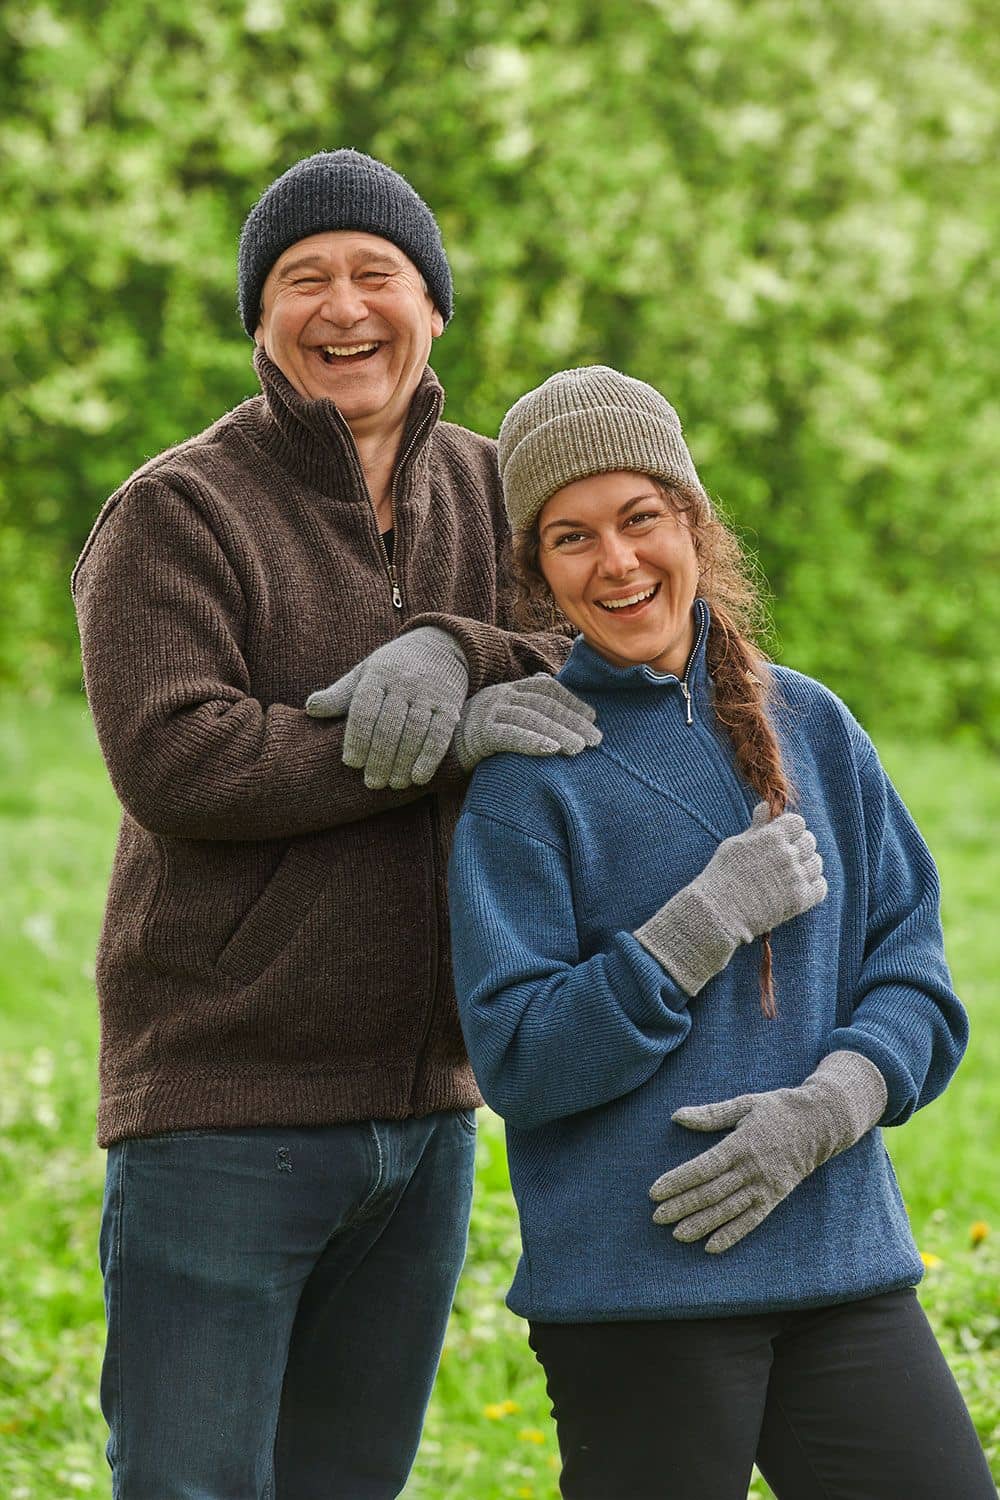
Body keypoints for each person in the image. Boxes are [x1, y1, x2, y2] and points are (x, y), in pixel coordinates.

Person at [71, 151, 599, 1500]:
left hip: (426, 1108)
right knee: (193, 1485)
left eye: (379, 274)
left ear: (435, 310)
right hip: (224, 1108)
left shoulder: (502, 496)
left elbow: (606, 657)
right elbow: (180, 759)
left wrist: (454, 646)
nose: (342, 306)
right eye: (304, 280)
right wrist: (438, 745)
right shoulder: (177, 512)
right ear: (260, 320)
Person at [447, 365, 995, 1499]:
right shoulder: (529, 781)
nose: (617, 562)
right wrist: (695, 928)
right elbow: (522, 1062)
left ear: (693, 521)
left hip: (842, 1269)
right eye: (571, 538)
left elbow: (914, 973)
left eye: (641, 518)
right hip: (639, 1296)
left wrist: (823, 1112)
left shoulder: (813, 726)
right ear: (537, 571)